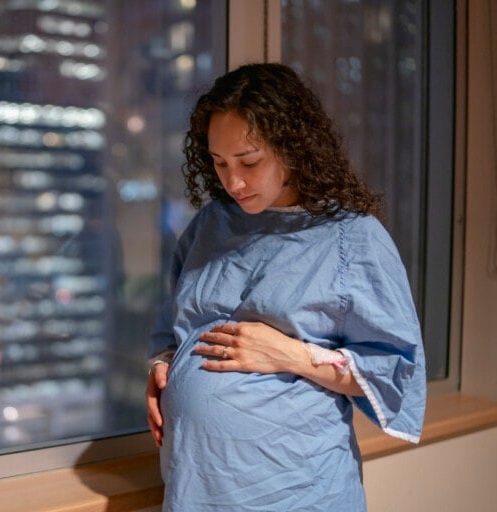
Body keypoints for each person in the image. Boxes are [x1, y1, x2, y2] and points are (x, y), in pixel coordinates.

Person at [145, 63, 426, 511]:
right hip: (198, 485)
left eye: (249, 162)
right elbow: (175, 319)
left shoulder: (352, 238)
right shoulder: (210, 224)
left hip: (294, 489)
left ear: (292, 148)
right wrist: (163, 367)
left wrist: (292, 354)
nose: (232, 181)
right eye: (219, 163)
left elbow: (394, 370)